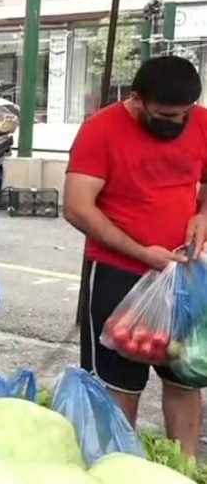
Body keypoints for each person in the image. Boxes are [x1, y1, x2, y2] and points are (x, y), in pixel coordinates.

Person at [64, 55, 207, 458]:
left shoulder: (202, 123)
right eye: (165, 115)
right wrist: (142, 252)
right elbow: (78, 206)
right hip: (118, 274)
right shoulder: (101, 130)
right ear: (137, 99)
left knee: (185, 376)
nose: (176, 123)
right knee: (118, 384)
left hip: (185, 275)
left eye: (183, 115)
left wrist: (202, 214)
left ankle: (186, 468)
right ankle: (120, 468)